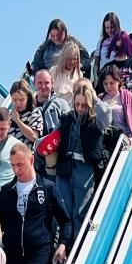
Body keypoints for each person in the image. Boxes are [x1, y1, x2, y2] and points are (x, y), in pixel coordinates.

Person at [0, 142, 71, 264]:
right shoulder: (7, 191)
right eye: (13, 165)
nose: (16, 170)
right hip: (12, 256)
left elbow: (65, 220)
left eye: (20, 164)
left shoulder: (47, 188)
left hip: (39, 255)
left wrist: (63, 244)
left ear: (31, 160)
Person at [54, 80, 106, 228]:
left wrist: (95, 98)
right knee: (65, 209)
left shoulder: (95, 120)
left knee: (81, 210)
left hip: (84, 167)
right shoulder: (66, 118)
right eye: (77, 104)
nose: (80, 108)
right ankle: (66, 246)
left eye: (84, 105)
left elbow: (107, 116)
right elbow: (53, 137)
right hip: (65, 165)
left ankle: (78, 244)